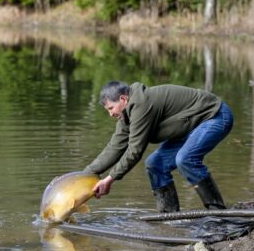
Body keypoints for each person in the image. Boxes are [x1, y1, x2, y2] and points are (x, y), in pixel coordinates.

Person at [84, 81, 233, 213]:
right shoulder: (126, 116)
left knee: (185, 159)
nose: (110, 114)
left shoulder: (142, 105)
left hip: (215, 116)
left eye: (111, 108)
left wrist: (110, 179)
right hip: (190, 126)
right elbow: (115, 147)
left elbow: (135, 151)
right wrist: (84, 175)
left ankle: (217, 212)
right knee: (155, 164)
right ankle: (168, 215)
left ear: (123, 99)